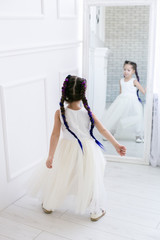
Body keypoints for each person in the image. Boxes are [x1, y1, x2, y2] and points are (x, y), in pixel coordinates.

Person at [28, 75, 126, 222]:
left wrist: (51, 156)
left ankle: (49, 205)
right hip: (87, 151)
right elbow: (103, 130)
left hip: (66, 149)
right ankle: (95, 211)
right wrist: (117, 145)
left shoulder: (60, 112)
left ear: (65, 94)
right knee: (90, 178)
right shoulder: (87, 113)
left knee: (62, 177)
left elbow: (55, 135)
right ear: (83, 94)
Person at [102, 60, 146, 143]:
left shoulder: (134, 81)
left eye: (128, 70)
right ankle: (111, 132)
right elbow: (121, 92)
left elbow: (143, 91)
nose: (126, 72)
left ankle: (138, 135)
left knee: (137, 116)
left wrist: (148, 88)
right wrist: (118, 101)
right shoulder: (121, 80)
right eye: (124, 69)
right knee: (116, 115)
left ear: (133, 71)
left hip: (132, 101)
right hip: (121, 100)